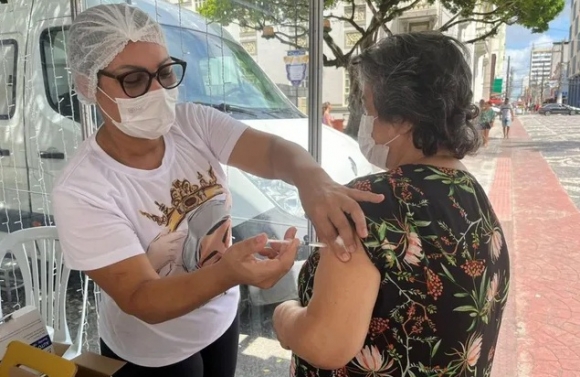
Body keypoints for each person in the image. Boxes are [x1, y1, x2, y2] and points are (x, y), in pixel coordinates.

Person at [52, 4, 383, 377]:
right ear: (87, 85)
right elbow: (141, 296)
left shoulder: (191, 124)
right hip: (150, 350)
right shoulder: (83, 189)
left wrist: (314, 182)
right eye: (134, 80)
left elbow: (274, 152)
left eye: (164, 72)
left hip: (219, 320)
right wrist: (230, 273)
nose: (157, 91)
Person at [273, 32, 510, 377]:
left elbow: (325, 343)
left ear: (402, 119)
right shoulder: (472, 193)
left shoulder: (370, 202)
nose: (364, 123)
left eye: (368, 109)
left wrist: (284, 315)